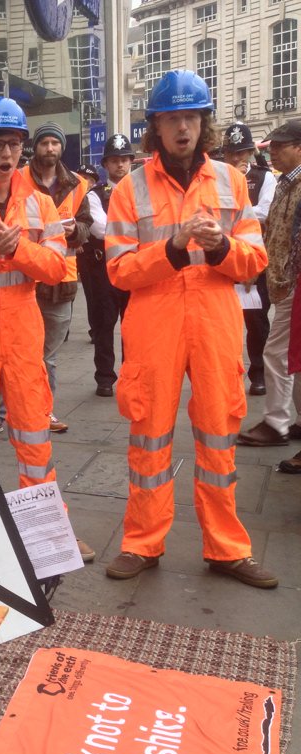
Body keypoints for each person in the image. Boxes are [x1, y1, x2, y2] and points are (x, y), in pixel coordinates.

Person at [104, 70, 276, 588]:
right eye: (172, 118)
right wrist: (174, 249)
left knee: (219, 435)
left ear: (205, 123)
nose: (183, 127)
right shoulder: (128, 188)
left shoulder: (231, 181)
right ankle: (141, 541)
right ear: (155, 127)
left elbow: (254, 260)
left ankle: (226, 547)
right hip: (154, 325)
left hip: (216, 323)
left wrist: (220, 247)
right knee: (149, 435)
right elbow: (118, 269)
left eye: (191, 117)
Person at [0, 97, 95, 563]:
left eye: (13, 144)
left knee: (34, 436)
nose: (7, 154)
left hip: (23, 337)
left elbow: (56, 268)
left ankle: (49, 534)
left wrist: (13, 252)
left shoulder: (41, 205)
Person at [20, 123, 92, 433]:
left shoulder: (77, 184)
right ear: (35, 147)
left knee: (45, 354)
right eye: (44, 143)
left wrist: (76, 231)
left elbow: (87, 227)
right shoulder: (18, 180)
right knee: (23, 351)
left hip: (61, 283)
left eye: (55, 143)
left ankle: (42, 410)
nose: (50, 148)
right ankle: (14, 410)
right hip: (23, 280)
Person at [237, 120, 301, 449]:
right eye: (271, 146)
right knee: (291, 354)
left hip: (295, 286)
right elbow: (274, 233)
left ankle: (276, 422)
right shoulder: (284, 184)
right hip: (282, 282)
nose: (273, 152)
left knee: (276, 354)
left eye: (281, 146)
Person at [223, 122, 276, 397]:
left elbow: (265, 211)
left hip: (253, 260)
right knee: (222, 321)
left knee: (256, 321)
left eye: (241, 152)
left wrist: (236, 214)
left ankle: (258, 373)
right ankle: (227, 374)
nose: (236, 159)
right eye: (231, 153)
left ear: (249, 151)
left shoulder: (263, 177)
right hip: (222, 259)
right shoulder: (217, 178)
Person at [80, 133, 134, 397]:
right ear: (105, 164)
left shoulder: (143, 191)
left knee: (134, 325)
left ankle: (132, 373)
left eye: (125, 159)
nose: (120, 165)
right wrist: (134, 229)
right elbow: (100, 229)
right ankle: (104, 377)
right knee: (104, 325)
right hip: (105, 269)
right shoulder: (95, 194)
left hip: (136, 267)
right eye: (114, 160)